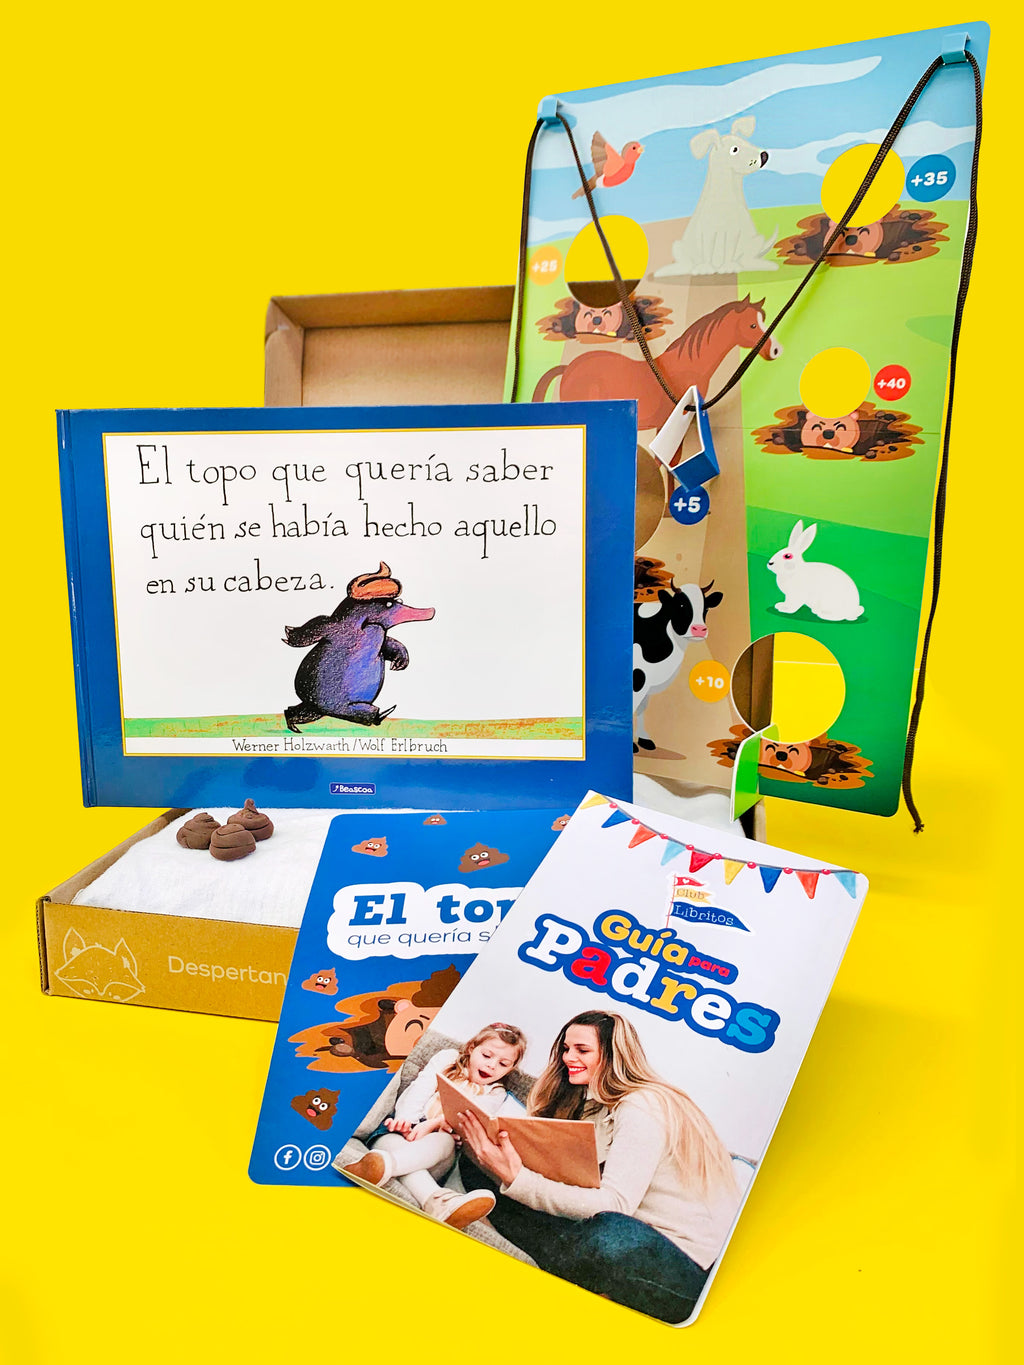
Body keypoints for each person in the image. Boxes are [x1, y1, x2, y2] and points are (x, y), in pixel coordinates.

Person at [457, 1010, 739, 1323]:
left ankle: (570, 1272)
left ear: (613, 1055)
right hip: (611, 1240)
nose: (568, 1057)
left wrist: (518, 1179)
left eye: (582, 1050)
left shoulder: (642, 1104)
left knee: (610, 1233)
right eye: (566, 1049)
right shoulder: (594, 1103)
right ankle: (575, 1271)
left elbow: (615, 1205)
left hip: (680, 1266)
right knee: (477, 1163)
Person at [343, 1022, 526, 1230]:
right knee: (390, 1141)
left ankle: (382, 1167)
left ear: (511, 1068)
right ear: (471, 1048)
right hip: (402, 1133)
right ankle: (437, 1201)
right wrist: (406, 1122)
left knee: (445, 1139)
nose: (492, 1065)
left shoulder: (496, 1093)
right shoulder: (448, 1059)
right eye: (486, 1055)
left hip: (437, 1155)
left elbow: (469, 1115)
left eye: (503, 1064)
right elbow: (418, 1090)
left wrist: (434, 1124)